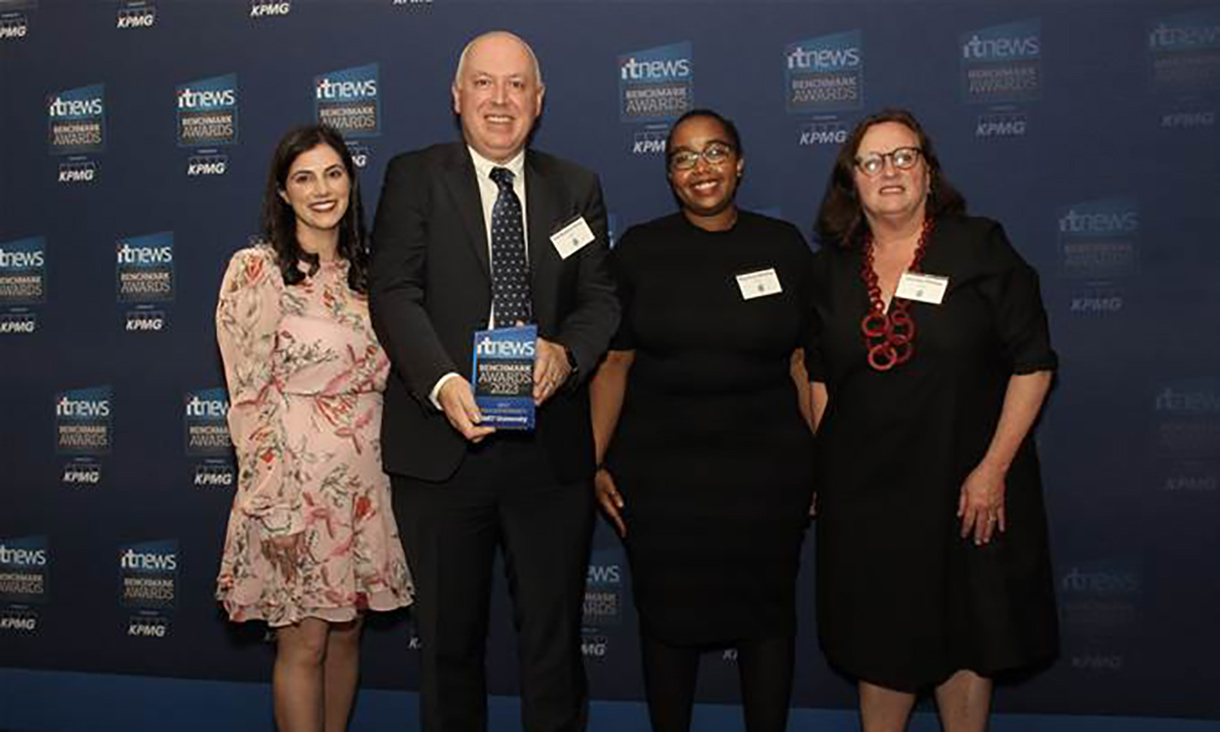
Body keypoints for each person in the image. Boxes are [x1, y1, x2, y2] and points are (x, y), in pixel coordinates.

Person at [368, 31, 619, 732]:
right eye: (484, 83)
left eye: (516, 85)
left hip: (550, 453)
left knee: (553, 646)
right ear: (457, 97)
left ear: (539, 102)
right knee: (447, 648)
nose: (500, 100)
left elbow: (601, 298)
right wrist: (444, 383)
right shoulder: (414, 177)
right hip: (443, 451)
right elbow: (393, 291)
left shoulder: (577, 187)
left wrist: (566, 355)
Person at [808, 108, 1058, 732]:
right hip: (868, 501)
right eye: (871, 161)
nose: (888, 171)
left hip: (963, 489)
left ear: (927, 171)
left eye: (903, 157)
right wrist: (826, 468)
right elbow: (818, 378)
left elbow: (1033, 363)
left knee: (968, 636)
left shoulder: (979, 246)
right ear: (851, 181)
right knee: (878, 643)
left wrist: (993, 468)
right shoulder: (831, 270)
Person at [590, 109, 816, 732]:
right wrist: (594, 459)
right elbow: (614, 364)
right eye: (684, 158)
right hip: (663, 484)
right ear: (670, 175)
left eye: (715, 152)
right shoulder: (639, 249)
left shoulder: (783, 246)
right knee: (667, 621)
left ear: (739, 163)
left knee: (768, 620)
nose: (701, 168)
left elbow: (803, 363)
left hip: (769, 478)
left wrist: (825, 458)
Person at [215, 124, 412, 732]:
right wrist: (272, 505)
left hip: (364, 487)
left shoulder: (373, 275)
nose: (321, 189)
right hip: (293, 489)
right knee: (304, 645)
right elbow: (247, 398)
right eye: (304, 177)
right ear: (282, 192)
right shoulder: (258, 271)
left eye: (332, 173)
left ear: (351, 181)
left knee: (348, 637)